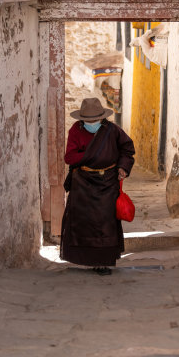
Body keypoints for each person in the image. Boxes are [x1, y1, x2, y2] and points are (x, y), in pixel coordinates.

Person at [60, 97, 135, 274]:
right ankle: (86, 259)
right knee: (83, 222)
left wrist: (123, 167)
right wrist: (92, 157)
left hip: (108, 184)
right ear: (82, 119)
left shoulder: (112, 131)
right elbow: (69, 157)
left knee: (105, 222)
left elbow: (127, 149)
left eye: (95, 120)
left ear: (102, 118)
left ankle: (103, 262)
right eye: (88, 121)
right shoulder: (75, 131)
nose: (92, 123)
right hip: (82, 184)